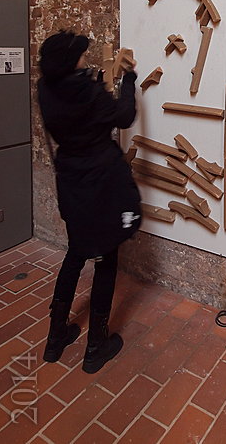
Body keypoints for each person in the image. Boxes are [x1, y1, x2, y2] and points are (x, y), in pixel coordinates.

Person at [37, 30, 140, 373]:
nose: (85, 59)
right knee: (106, 258)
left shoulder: (46, 88)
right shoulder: (89, 94)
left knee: (76, 251)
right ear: (71, 61)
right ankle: (96, 346)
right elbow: (123, 116)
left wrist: (95, 82)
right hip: (100, 181)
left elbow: (78, 112)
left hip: (72, 180)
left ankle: (55, 338)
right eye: (81, 56)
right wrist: (129, 80)